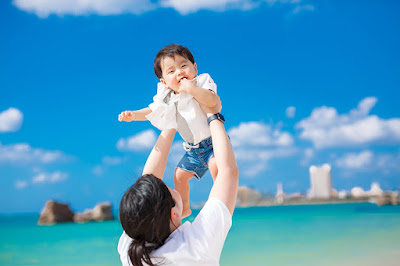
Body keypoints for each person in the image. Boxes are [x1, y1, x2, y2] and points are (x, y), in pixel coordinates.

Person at [118, 97, 239, 266]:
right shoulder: (195, 247)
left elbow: (148, 180)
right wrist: (213, 114)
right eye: (167, 187)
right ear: (173, 213)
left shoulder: (131, 251)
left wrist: (172, 121)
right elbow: (228, 172)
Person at [118, 44, 219, 218]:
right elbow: (153, 110)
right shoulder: (167, 96)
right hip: (193, 149)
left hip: (213, 142)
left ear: (194, 67)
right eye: (171, 71)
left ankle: (220, 199)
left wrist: (191, 89)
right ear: (164, 82)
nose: (179, 72)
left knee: (216, 166)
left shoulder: (201, 81)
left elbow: (212, 101)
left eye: (183, 66)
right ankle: (185, 208)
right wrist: (133, 115)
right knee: (179, 176)